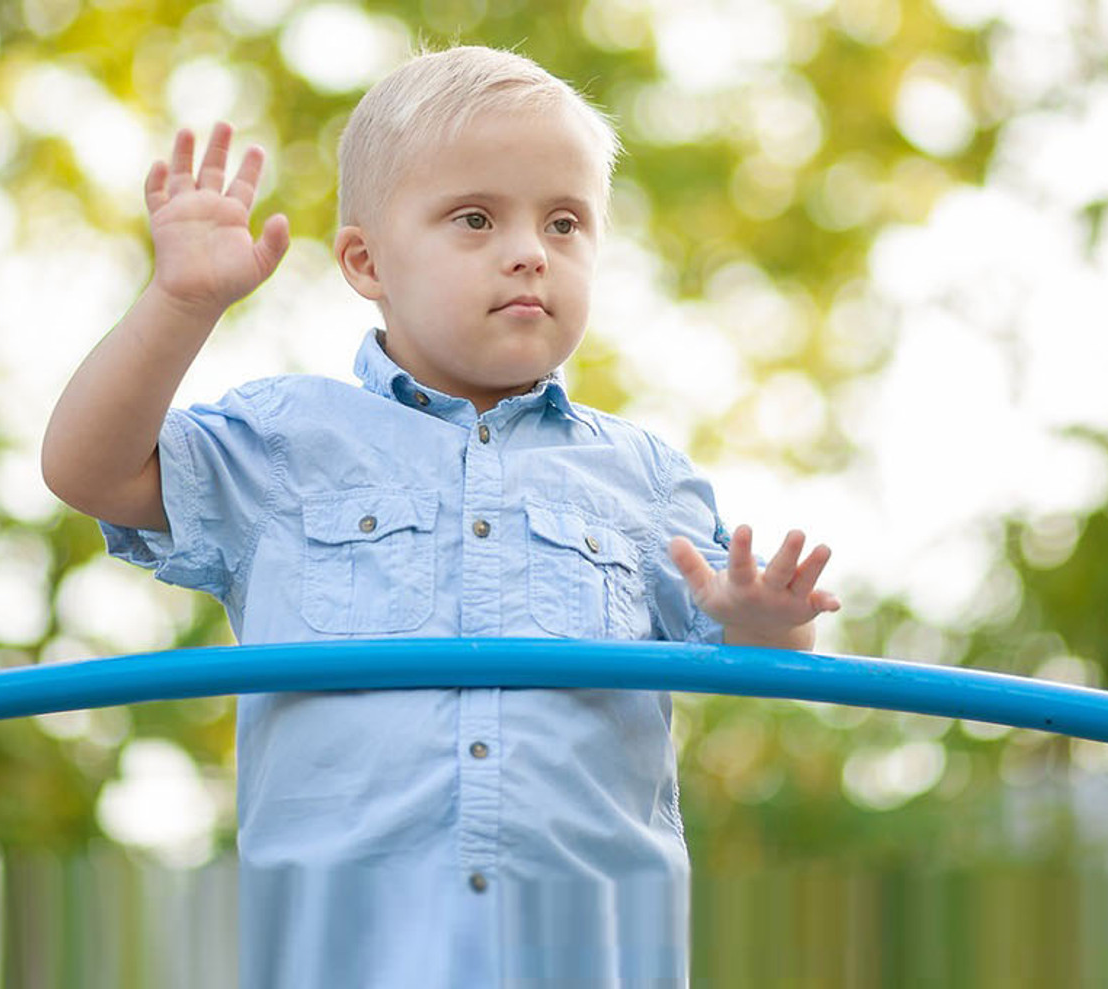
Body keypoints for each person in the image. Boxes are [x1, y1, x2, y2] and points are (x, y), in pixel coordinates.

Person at [42, 45, 840, 987]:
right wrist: (179, 302)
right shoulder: (284, 445)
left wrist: (765, 619)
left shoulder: (643, 480)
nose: (530, 249)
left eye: (566, 221)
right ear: (366, 260)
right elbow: (86, 470)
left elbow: (776, 668)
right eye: (475, 217)